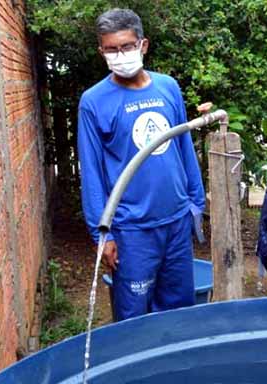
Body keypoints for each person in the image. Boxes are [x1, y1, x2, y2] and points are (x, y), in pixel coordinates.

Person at [78, 8, 205, 321]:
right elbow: (92, 173)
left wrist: (195, 204)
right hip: (132, 231)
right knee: (134, 319)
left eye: (126, 46)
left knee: (180, 312)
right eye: (111, 49)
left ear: (143, 45)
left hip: (176, 221)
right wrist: (101, 235)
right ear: (101, 51)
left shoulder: (168, 88)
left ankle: (178, 369)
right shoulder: (94, 102)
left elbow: (183, 148)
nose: (120, 55)